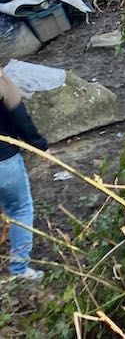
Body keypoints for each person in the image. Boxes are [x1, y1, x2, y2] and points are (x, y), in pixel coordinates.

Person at [0, 65, 47, 279]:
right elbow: (19, 115)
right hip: (4, 160)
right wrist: (38, 144)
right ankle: (19, 270)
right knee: (20, 209)